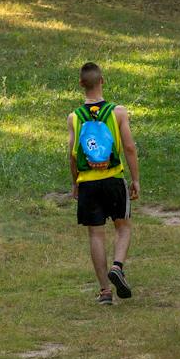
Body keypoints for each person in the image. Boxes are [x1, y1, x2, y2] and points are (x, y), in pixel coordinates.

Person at [68, 61, 140, 304]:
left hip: (88, 182)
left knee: (96, 235)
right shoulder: (118, 112)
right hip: (113, 179)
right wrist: (135, 179)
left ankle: (105, 292)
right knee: (123, 227)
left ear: (81, 84)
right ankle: (117, 267)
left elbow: (73, 154)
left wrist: (76, 182)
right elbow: (129, 147)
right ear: (103, 80)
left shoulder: (74, 118)